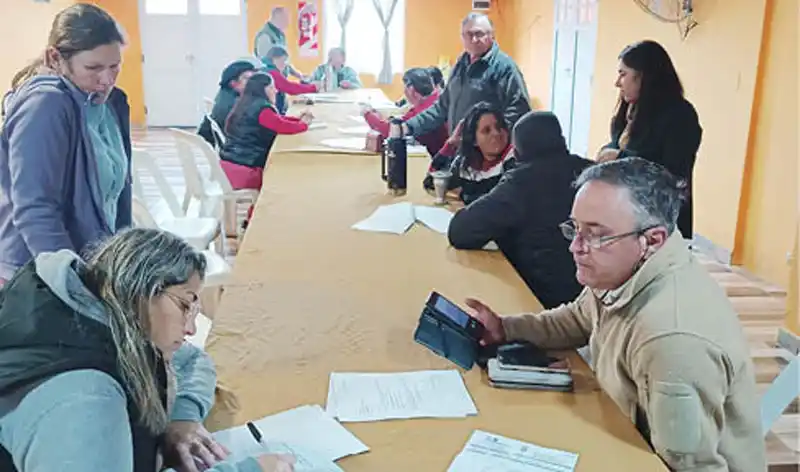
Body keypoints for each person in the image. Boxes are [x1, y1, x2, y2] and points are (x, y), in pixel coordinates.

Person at [465, 158, 766, 471]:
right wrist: (505, 329)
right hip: (615, 432)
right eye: (575, 229)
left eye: (595, 235)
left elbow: (690, 467)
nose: (575, 247)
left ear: (652, 240)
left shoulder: (671, 340)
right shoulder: (625, 270)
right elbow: (575, 320)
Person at [0, 228, 296, 472]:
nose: (191, 329)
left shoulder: (96, 315)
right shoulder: (84, 399)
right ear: (144, 290)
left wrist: (183, 420)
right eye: (184, 304)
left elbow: (192, 359)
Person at [0, 4, 132, 286]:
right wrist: (70, 283)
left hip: (90, 262)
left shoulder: (112, 103)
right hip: (39, 273)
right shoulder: (45, 105)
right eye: (93, 68)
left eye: (114, 66)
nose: (106, 80)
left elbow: (117, 196)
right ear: (55, 58)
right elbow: (36, 208)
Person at [448, 111, 591, 308]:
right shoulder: (593, 174)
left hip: (539, 301)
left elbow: (460, 232)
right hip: (592, 299)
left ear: (516, 151)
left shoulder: (521, 183)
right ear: (562, 140)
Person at [597, 40, 702, 239]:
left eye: (623, 74)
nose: (617, 82)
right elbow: (618, 141)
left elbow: (673, 173)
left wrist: (620, 157)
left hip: (660, 215)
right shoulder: (632, 108)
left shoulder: (680, 115)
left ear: (643, 76)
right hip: (626, 209)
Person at [403, 13, 530, 143]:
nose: (474, 39)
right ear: (462, 37)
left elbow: (519, 111)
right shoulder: (460, 65)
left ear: (492, 36)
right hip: (461, 149)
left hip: (488, 154)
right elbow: (442, 107)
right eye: (469, 35)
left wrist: (486, 138)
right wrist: (408, 126)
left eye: (479, 34)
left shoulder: (504, 67)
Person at [220, 72, 311, 225]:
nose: (276, 91)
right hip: (246, 169)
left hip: (231, 162)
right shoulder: (261, 108)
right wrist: (304, 124)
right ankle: (260, 219)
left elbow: (277, 120)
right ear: (262, 89)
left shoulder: (247, 103)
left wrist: (296, 119)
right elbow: (282, 126)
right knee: (283, 174)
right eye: (272, 87)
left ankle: (259, 216)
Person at [430, 102, 515, 205]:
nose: (496, 134)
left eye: (499, 127)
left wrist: (464, 195)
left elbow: (496, 202)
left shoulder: (515, 161)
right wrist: (450, 144)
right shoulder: (467, 163)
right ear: (474, 140)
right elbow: (432, 182)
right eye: (487, 131)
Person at [362, 68, 447, 157]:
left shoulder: (425, 109)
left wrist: (368, 114)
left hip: (438, 159)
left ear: (411, 90)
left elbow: (391, 131)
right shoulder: (436, 98)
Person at [197, 60, 258, 147]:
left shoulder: (225, 94)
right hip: (236, 150)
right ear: (233, 83)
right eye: (247, 79)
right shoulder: (233, 105)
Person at [263, 46, 318, 115]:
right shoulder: (271, 73)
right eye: (283, 60)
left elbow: (296, 77)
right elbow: (289, 87)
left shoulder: (267, 68)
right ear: (275, 59)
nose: (285, 64)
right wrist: (314, 87)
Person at [254, 6, 304, 81]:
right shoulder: (265, 35)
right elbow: (265, 62)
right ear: (278, 17)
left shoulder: (281, 35)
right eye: (286, 19)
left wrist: (296, 73)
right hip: (270, 81)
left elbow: (284, 59)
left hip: (281, 79)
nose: (288, 22)